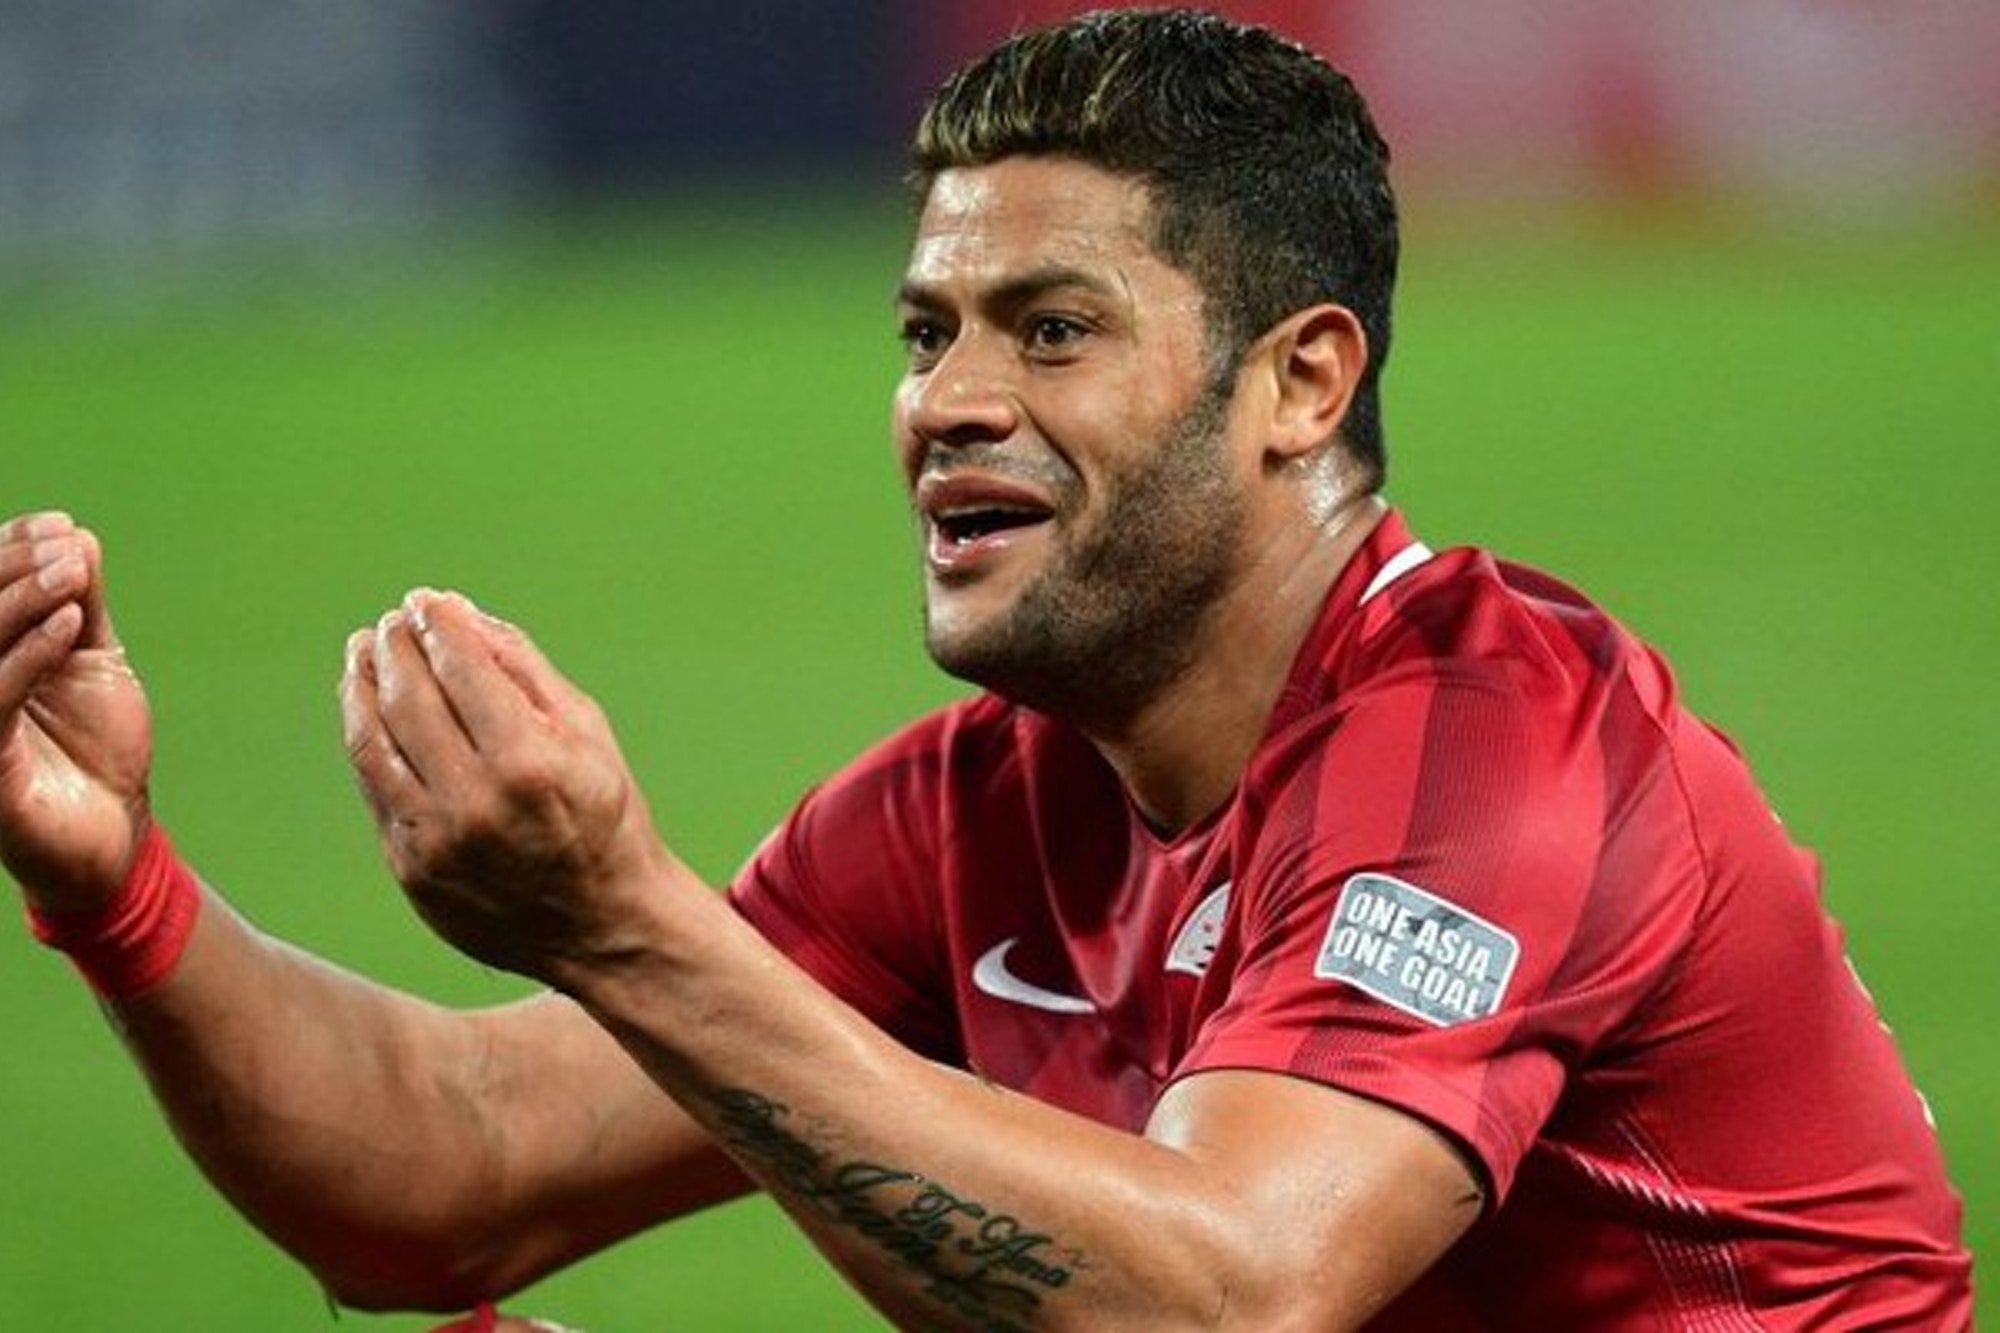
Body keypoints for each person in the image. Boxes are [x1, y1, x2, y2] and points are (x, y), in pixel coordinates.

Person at [0, 10, 1974, 1330]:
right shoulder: (990, 808)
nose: (947, 398)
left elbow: (1234, 1296)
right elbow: (452, 1165)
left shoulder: (1492, 739)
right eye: (925, 329)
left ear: (1301, 382)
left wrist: (629, 928)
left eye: (1049, 328)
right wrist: (118, 882)